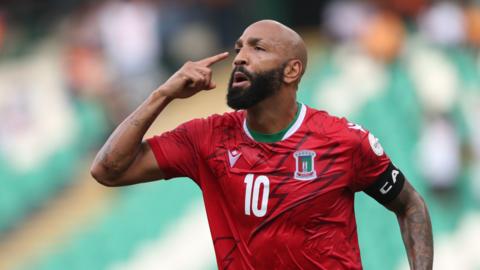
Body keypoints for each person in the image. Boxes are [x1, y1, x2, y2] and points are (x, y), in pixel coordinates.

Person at [91, 20, 433, 269]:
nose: (240, 57)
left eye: (258, 47)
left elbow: (410, 205)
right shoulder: (207, 138)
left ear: (291, 71)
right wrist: (162, 95)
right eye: (239, 46)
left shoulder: (343, 141)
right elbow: (107, 170)